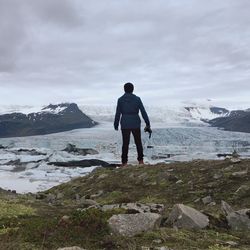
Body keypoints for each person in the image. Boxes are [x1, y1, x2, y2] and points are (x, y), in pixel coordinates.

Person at [114, 82, 151, 167]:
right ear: (133, 89)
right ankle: (141, 161)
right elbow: (143, 111)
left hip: (125, 123)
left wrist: (116, 124)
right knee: (138, 142)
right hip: (135, 123)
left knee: (125, 143)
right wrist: (147, 123)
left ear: (124, 89)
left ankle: (124, 163)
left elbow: (118, 113)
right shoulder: (137, 99)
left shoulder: (120, 100)